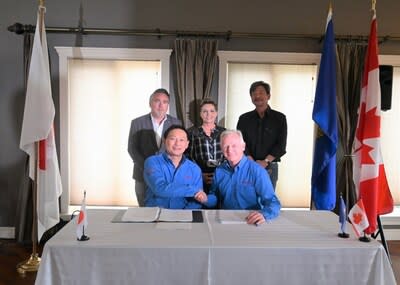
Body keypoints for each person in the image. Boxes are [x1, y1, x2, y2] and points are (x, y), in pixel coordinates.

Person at [205, 130, 281, 224]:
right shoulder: (219, 170)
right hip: (224, 221)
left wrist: (264, 214)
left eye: (234, 146)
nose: (229, 150)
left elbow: (273, 202)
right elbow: (215, 198)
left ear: (243, 146)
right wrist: (205, 199)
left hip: (250, 221)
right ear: (221, 148)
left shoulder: (257, 171)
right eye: (226, 146)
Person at [128, 88, 181, 206]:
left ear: (168, 105)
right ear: (150, 103)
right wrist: (147, 167)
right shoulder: (137, 122)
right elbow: (132, 149)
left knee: (167, 210)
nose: (161, 105)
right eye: (157, 101)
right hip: (142, 174)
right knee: (144, 211)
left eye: (165, 102)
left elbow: (179, 149)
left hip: (168, 175)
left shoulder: (176, 123)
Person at [143, 125, 209, 209]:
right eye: (173, 139)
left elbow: (197, 200)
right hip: (155, 215)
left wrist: (183, 216)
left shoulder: (194, 169)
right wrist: (193, 190)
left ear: (187, 144)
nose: (177, 143)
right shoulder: (152, 162)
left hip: (184, 216)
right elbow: (159, 188)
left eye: (182, 140)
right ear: (164, 140)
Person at [236, 81, 287, 189]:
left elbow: (281, 145)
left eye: (261, 92)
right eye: (254, 93)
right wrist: (251, 161)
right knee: (248, 199)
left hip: (270, 167)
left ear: (268, 95)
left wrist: (265, 161)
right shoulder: (244, 119)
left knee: (267, 200)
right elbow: (240, 142)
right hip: (248, 165)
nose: (257, 96)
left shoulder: (279, 118)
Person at [187, 99, 226, 193]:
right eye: (205, 111)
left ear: (216, 113)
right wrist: (199, 174)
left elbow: (228, 154)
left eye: (212, 111)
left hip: (221, 174)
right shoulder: (192, 133)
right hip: (200, 175)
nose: (208, 114)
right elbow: (189, 156)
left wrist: (221, 173)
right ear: (200, 114)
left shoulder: (224, 132)